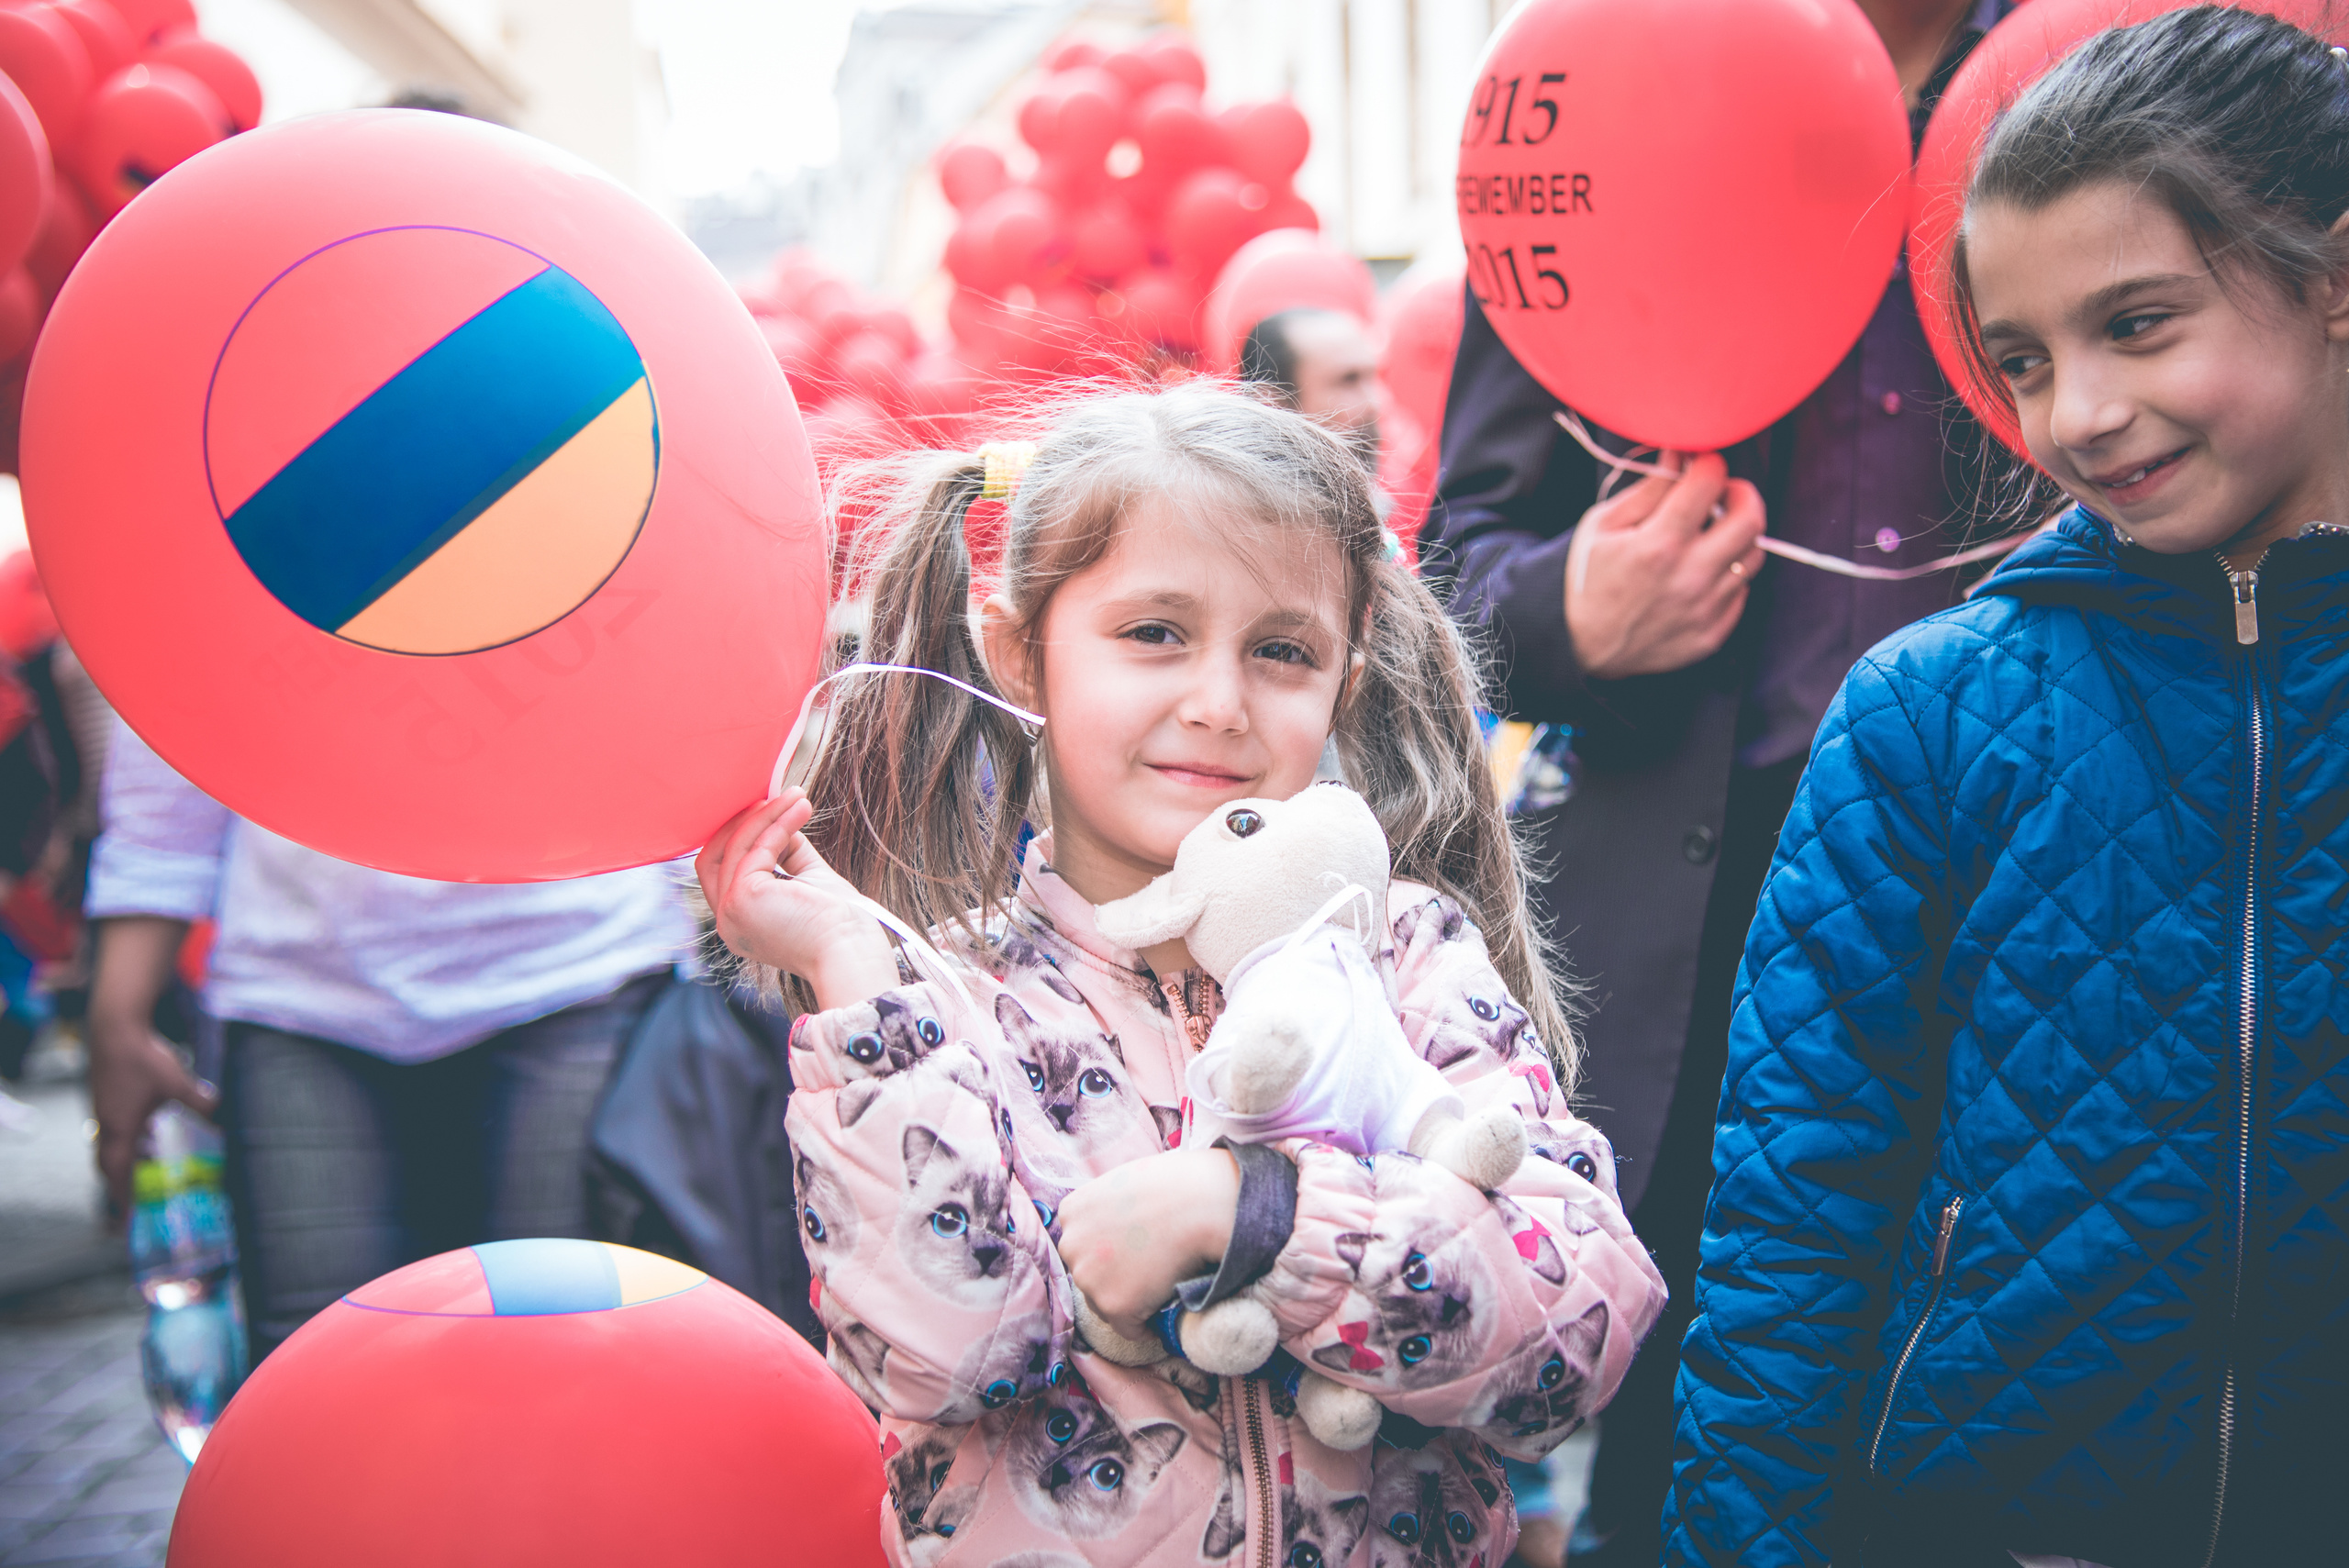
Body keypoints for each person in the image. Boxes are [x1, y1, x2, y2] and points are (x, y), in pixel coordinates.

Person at [696, 384, 1666, 1566]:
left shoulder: (1407, 955)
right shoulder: (941, 1000)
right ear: (1020, 654)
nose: (1217, 702)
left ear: (1342, 682)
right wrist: (859, 973)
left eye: (1280, 650)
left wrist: (1255, 1215)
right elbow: (941, 1357)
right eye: (1154, 632)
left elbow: (1573, 1340)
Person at [1670, 9, 2349, 1565]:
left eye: (2142, 322)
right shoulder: (1929, 714)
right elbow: (1789, 1228)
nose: (2079, 413)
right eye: (2026, 358)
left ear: (2335, 284)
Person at [1418, 4, 2010, 1562]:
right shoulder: (1637, 94)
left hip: (2038, 893)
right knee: (1695, 1440)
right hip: (1710, 931)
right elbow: (1450, 570)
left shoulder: (2090, 70)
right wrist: (1572, 613)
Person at [83, 724, 694, 1357]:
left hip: (575, 970)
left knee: (565, 1359)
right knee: (320, 1385)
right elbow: (173, 732)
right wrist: (118, 1017)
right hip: (303, 997)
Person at [1239, 306, 1384, 463]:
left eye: (1371, 378)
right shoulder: (1225, 487)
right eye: (1348, 380)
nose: (1374, 404)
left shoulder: (1397, 479)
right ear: (1272, 404)